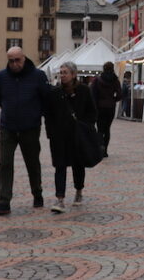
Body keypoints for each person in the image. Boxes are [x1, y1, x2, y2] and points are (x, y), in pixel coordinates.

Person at [0, 46, 50, 216]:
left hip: (30, 127)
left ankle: (37, 193)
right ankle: (4, 200)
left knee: (32, 163)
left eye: (17, 60)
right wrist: (9, 110)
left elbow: (45, 98)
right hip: (8, 126)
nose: (14, 64)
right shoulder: (2, 76)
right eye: (11, 61)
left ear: (24, 58)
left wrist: (35, 114)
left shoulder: (38, 76)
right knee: (5, 164)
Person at [46, 61, 97, 213]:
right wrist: (51, 133)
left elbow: (92, 112)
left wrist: (85, 126)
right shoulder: (55, 92)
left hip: (78, 135)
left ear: (74, 74)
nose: (62, 75)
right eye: (61, 72)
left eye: (65, 72)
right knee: (60, 166)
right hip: (59, 136)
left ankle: (79, 191)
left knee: (78, 164)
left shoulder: (84, 90)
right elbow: (49, 114)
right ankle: (60, 199)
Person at [91, 61, 122, 158]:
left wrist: (95, 106)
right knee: (107, 129)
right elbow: (120, 95)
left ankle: (100, 148)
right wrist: (113, 99)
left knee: (100, 129)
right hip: (110, 107)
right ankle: (105, 150)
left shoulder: (97, 80)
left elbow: (93, 95)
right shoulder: (116, 80)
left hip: (99, 107)